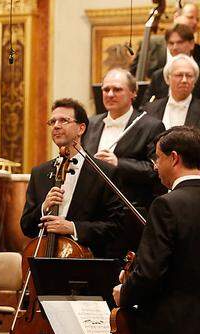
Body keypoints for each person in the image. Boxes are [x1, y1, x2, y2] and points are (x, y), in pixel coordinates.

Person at [113, 126, 200, 334]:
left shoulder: (166, 205)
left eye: (158, 159)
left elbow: (151, 272)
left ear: (174, 158)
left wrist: (125, 292)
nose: (155, 167)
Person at [21, 98, 124, 259]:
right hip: (43, 260)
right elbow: (26, 226)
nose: (56, 125)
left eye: (64, 120)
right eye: (53, 121)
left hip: (87, 263)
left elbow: (116, 227)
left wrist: (72, 227)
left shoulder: (104, 172)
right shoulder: (39, 173)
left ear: (81, 128)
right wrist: (43, 207)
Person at [82, 68, 165, 254]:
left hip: (129, 214)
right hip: (94, 216)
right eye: (106, 89)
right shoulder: (91, 124)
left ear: (133, 93)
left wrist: (118, 164)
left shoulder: (151, 126)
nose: (110, 94)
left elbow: (156, 170)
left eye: (117, 89)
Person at [141, 24, 200, 104]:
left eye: (180, 42)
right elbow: (145, 107)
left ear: (192, 44)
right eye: (171, 43)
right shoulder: (158, 76)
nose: (175, 47)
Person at [143, 54, 200, 129]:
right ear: (167, 79)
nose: (184, 80)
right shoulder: (150, 109)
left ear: (195, 81)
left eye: (189, 75)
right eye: (179, 75)